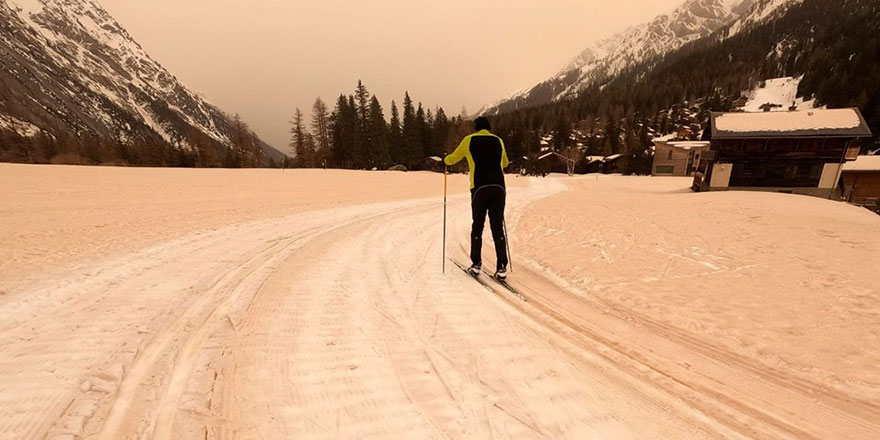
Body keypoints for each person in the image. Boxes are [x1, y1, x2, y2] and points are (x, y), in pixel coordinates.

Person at [445, 116, 510, 280]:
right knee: (497, 227)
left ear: (476, 128)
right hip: (498, 188)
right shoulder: (498, 141)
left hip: (479, 188)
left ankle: (476, 265)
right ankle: (502, 266)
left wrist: (445, 160)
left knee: (478, 226)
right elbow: (505, 163)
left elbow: (453, 158)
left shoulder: (469, 140)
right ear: (489, 128)